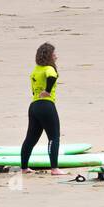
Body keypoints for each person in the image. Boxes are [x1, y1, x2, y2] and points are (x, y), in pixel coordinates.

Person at [21, 42, 65, 175]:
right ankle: (54, 169)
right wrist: (47, 90)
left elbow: (33, 90)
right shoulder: (48, 68)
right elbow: (52, 76)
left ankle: (24, 168)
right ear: (49, 56)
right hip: (46, 105)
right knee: (54, 137)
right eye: (54, 54)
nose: (56, 56)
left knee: (30, 138)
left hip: (34, 106)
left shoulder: (36, 70)